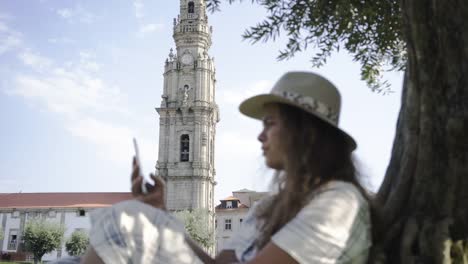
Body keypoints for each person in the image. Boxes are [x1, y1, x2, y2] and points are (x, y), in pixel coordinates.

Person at [77, 71, 372, 264]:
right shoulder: (268, 207)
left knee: (123, 223)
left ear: (305, 133)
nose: (260, 135)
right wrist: (160, 214)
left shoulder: (338, 202)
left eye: (270, 124)